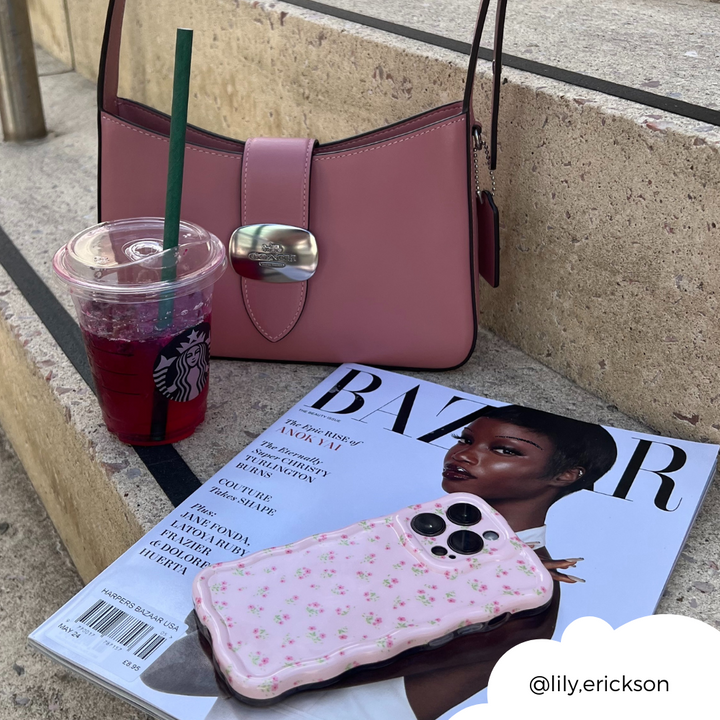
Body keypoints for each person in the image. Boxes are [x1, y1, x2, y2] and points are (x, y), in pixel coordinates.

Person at [141, 404, 617, 720]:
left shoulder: (531, 594)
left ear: (566, 475)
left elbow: (405, 703)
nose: (466, 455)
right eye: (466, 439)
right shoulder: (413, 527)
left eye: (504, 450)